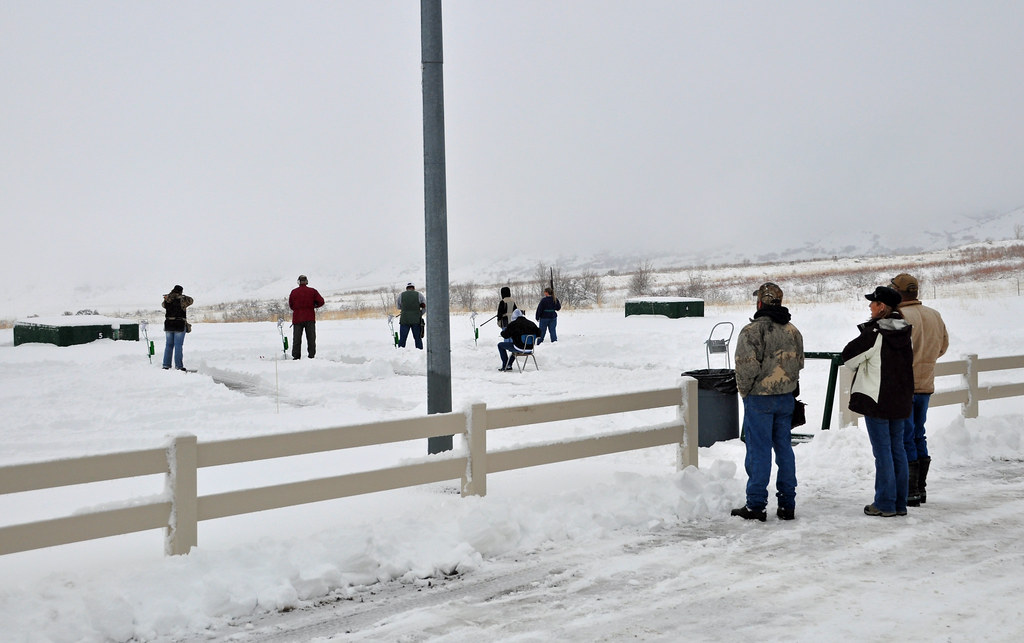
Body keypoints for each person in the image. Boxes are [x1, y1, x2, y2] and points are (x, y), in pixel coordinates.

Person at [730, 282, 804, 522]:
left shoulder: (751, 332)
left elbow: (746, 367)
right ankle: (787, 504)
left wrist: (746, 392)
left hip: (759, 400)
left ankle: (756, 505)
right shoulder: (793, 331)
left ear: (760, 302)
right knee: (784, 449)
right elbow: (799, 363)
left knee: (759, 451)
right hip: (785, 399)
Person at [841, 286, 915, 518]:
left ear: (882, 307)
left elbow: (849, 356)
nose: (870, 306)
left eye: (873, 303)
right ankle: (899, 503)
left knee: (883, 452)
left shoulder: (876, 333)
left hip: (877, 400)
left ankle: (884, 503)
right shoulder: (904, 331)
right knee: (898, 451)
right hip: (900, 400)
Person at [891, 273, 948, 506]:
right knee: (918, 434)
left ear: (898, 292)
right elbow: (942, 347)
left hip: (905, 387)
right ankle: (921, 489)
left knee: (905, 437)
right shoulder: (935, 315)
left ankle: (910, 490)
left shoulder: (901, 315)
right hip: (926, 385)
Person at [288, 274, 325, 360]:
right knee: (311, 338)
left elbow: (291, 305)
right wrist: (313, 306)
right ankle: (311, 356)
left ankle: (296, 356)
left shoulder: (294, 292)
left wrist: (298, 309)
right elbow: (321, 302)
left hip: (297, 319)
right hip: (310, 318)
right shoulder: (313, 291)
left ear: (298, 282)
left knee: (297, 339)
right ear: (306, 282)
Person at [161, 284, 194, 371]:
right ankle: (179, 366)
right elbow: (191, 300)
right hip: (179, 324)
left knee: (168, 345)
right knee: (178, 345)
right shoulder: (182, 299)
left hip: (168, 324)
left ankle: (166, 365)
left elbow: (163, 305)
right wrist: (181, 296)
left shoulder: (167, 299)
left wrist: (169, 296)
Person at [396, 282, 426, 349]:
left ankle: (400, 352)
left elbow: (398, 307)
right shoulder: (419, 295)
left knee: (403, 338)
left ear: (406, 288)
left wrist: (405, 310)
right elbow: (424, 307)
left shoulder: (401, 295)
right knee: (417, 338)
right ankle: (420, 352)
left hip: (404, 320)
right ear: (414, 288)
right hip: (416, 320)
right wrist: (419, 314)